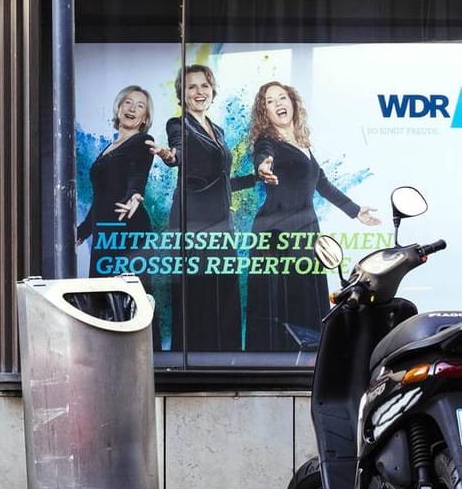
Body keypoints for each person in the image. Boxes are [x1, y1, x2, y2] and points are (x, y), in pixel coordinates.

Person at [245, 81, 380, 352]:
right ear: (264, 112)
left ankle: (308, 362)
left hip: (306, 229)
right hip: (277, 234)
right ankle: (278, 363)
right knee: (283, 303)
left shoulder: (302, 143)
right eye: (269, 102)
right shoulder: (267, 141)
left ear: (293, 102)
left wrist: (356, 211)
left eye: (282, 97)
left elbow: (323, 184)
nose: (278, 104)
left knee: (305, 299)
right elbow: (263, 157)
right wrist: (263, 166)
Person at [154, 64, 259, 352]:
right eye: (191, 87)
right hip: (193, 221)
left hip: (221, 221)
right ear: (182, 94)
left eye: (204, 86)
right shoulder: (178, 125)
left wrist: (254, 178)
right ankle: (194, 356)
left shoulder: (218, 130)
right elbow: (178, 151)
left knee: (224, 289)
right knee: (195, 291)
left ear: (212, 91)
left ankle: (224, 356)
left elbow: (219, 180)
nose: (199, 92)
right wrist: (171, 156)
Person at [76, 85, 156, 283]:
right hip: (105, 231)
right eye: (128, 102)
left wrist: (135, 194)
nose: (132, 109)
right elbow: (101, 197)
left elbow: (139, 171)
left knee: (129, 301)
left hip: (128, 228)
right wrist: (82, 232)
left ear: (144, 118)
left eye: (139, 106)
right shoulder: (109, 147)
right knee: (102, 298)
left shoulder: (143, 141)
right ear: (118, 108)